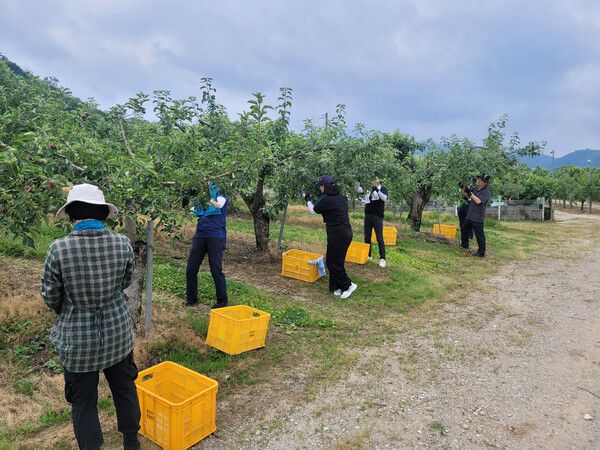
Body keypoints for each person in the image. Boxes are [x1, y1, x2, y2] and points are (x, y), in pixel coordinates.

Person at [40, 183, 141, 450]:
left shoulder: (59, 249)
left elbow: (51, 295)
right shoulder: (122, 243)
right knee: (125, 388)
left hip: (78, 341)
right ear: (102, 213)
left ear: (71, 214)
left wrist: (72, 308)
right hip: (118, 333)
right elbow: (125, 282)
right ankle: (131, 442)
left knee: (83, 401)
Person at [306, 175, 357, 299]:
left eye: (321, 186)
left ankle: (348, 285)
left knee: (331, 262)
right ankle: (336, 287)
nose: (320, 188)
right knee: (337, 261)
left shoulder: (327, 200)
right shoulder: (342, 198)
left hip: (338, 234)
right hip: (345, 233)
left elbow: (313, 210)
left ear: (325, 186)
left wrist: (307, 200)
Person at [186, 181, 228, 308]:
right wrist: (187, 203)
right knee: (191, 269)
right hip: (201, 234)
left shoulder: (221, 191)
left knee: (216, 270)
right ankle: (191, 299)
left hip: (216, 236)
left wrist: (206, 197)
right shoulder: (201, 195)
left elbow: (219, 204)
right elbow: (194, 211)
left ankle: (222, 302)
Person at [356, 177, 389, 268]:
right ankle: (368, 255)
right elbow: (359, 190)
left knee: (379, 238)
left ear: (378, 180)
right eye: (372, 180)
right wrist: (358, 182)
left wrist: (377, 190)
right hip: (368, 216)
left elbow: (384, 198)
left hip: (378, 217)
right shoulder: (368, 189)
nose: (374, 182)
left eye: (375, 180)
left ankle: (382, 258)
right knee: (367, 237)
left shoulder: (383, 188)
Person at [460, 174, 491, 257]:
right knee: (464, 229)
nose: (477, 180)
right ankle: (464, 246)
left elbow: (478, 201)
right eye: (478, 179)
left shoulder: (486, 192)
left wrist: (470, 193)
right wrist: (463, 188)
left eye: (480, 180)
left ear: (484, 183)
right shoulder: (474, 189)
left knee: (479, 235)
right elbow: (464, 196)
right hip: (470, 214)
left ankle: (481, 252)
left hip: (478, 216)